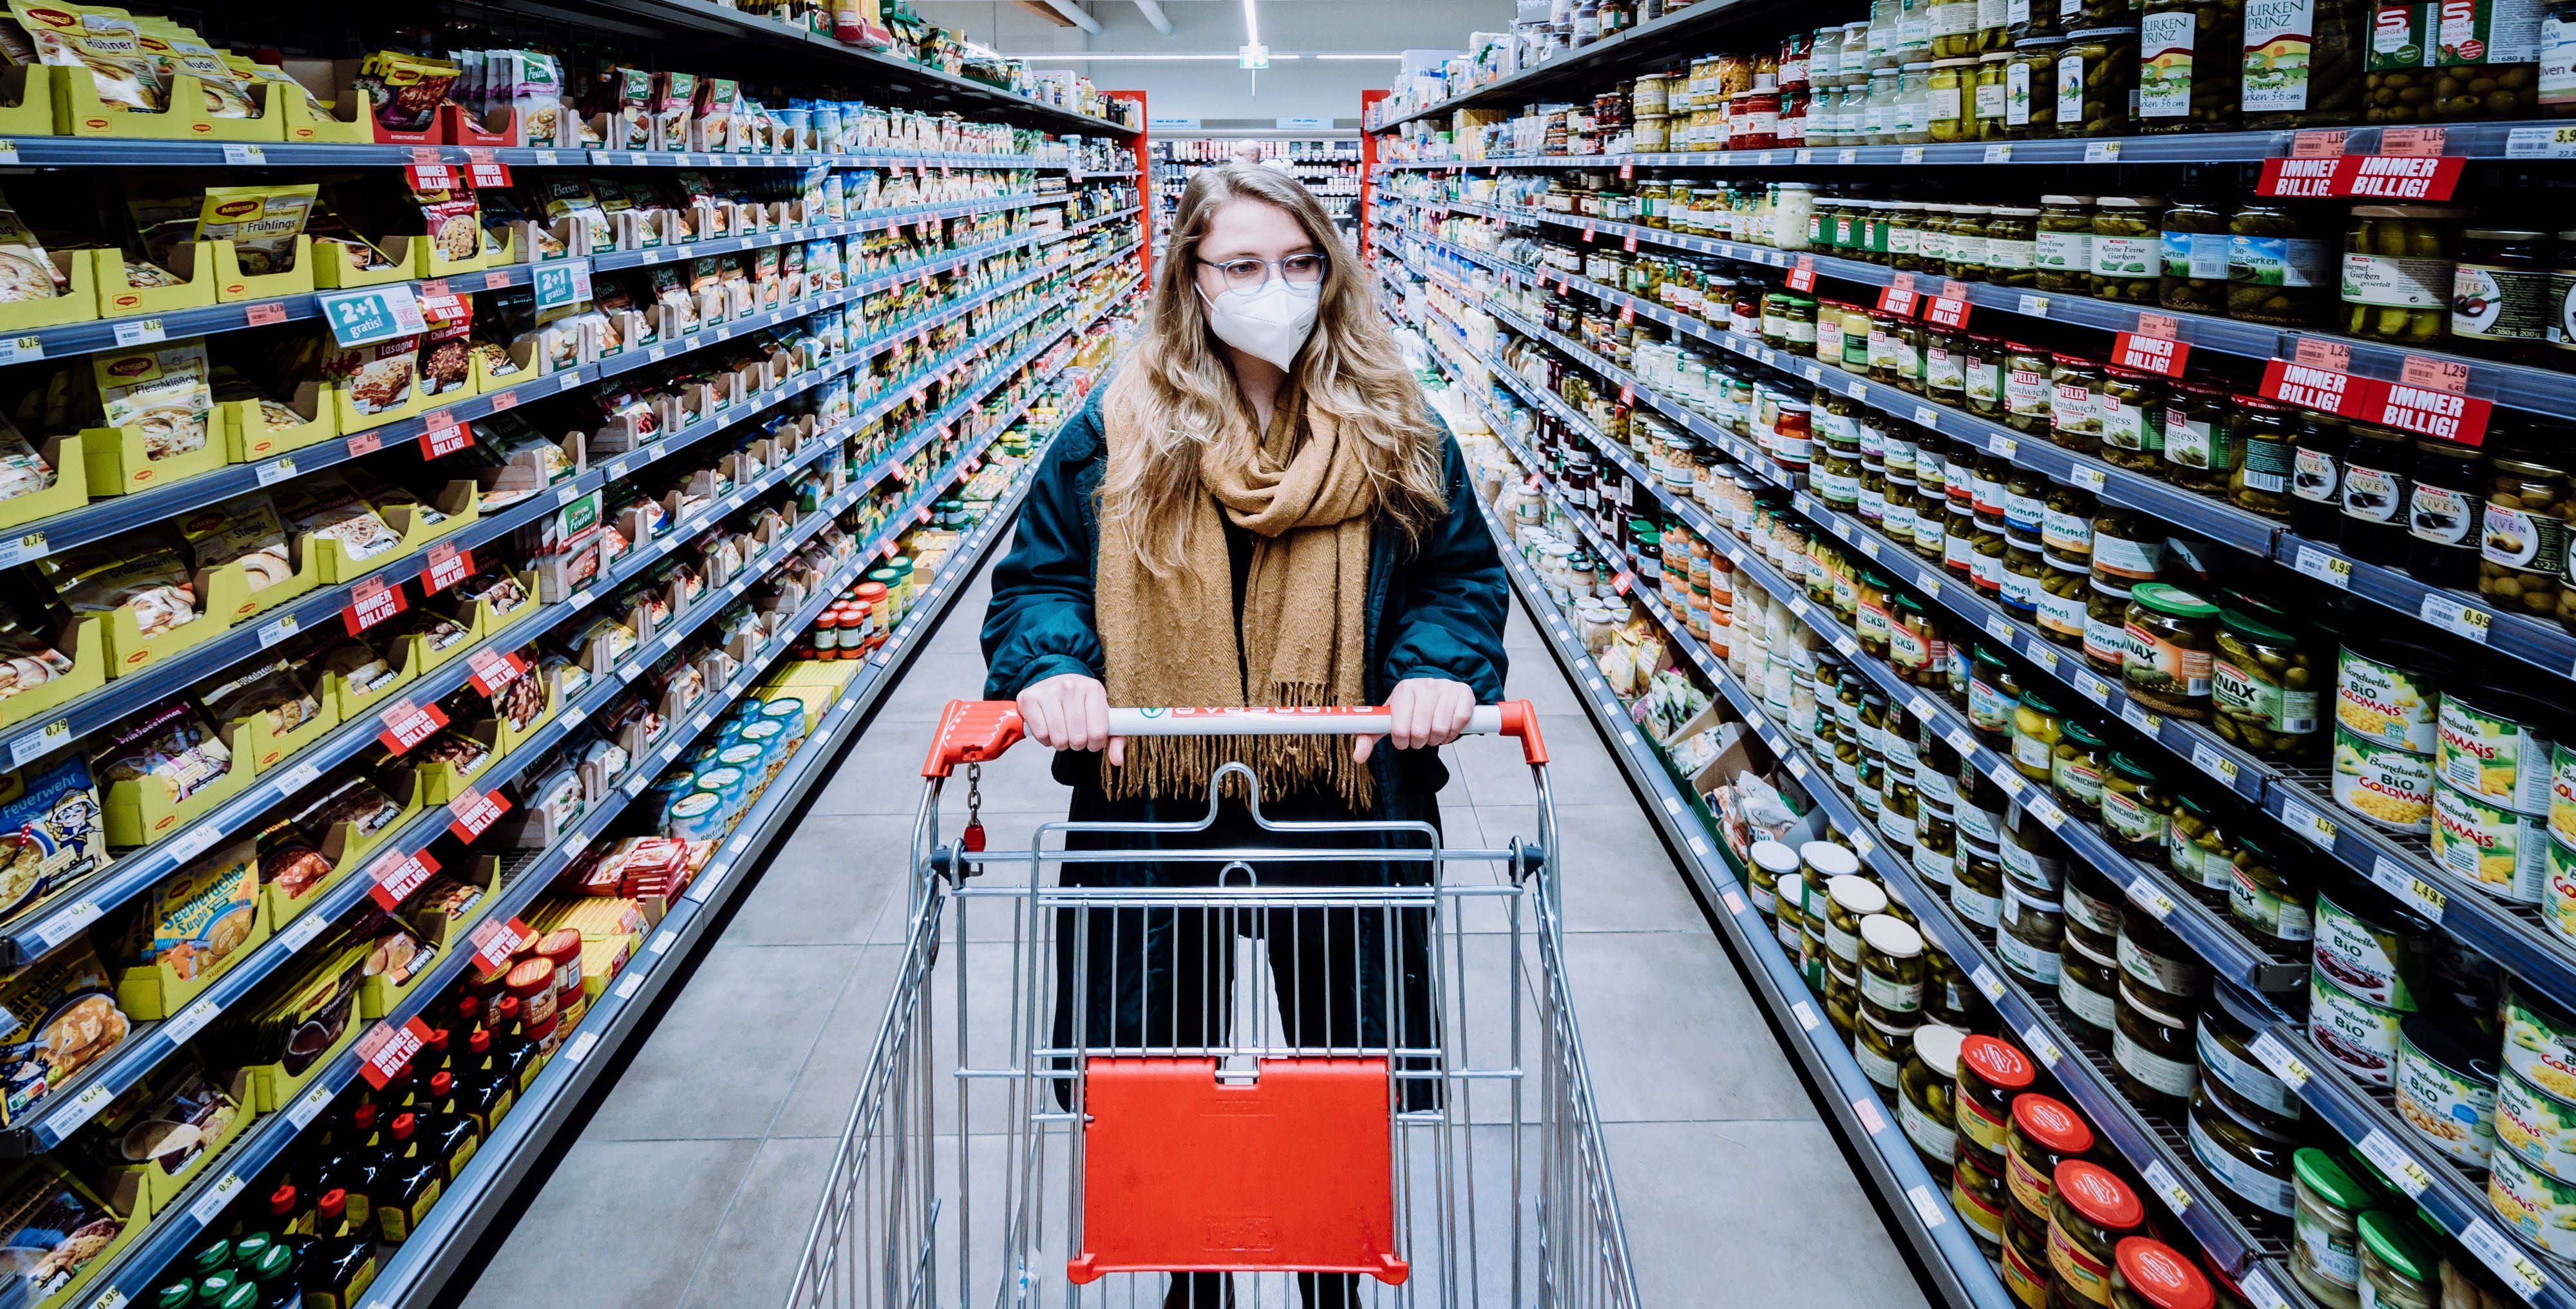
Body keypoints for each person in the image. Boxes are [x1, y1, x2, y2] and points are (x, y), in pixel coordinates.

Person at [980, 162, 1507, 1309]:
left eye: (1300, 263)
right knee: (1159, 1059)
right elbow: (1038, 585)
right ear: (1192, 282)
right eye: (1244, 266)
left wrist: (1431, 671)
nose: (1277, 288)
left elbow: (1458, 579)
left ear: (1331, 270)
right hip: (1157, 803)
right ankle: (1191, 1267)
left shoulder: (1397, 428)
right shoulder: (1114, 434)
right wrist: (1058, 668)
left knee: (1337, 1061)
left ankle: (1333, 1270)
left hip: (1342, 795)